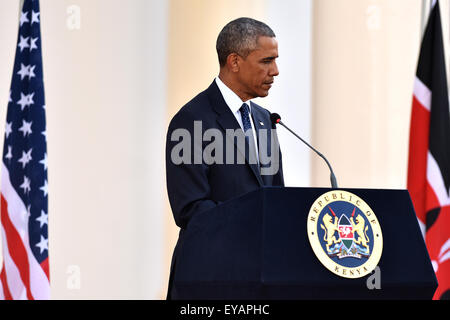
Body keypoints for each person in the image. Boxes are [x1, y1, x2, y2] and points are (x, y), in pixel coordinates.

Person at [165, 17, 284, 299]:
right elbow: (191, 208)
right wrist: (254, 230)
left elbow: (276, 197)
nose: (275, 71)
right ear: (234, 61)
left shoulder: (265, 120)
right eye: (266, 61)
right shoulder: (192, 120)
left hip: (259, 278)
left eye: (275, 60)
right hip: (210, 277)